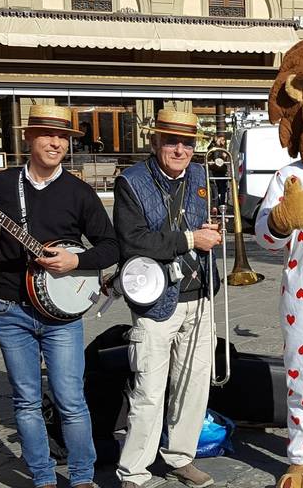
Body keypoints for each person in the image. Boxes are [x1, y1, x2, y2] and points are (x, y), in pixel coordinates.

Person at [0, 105, 119, 488]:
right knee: (26, 402)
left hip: (62, 315)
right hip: (11, 306)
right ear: (28, 137)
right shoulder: (3, 183)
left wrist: (75, 259)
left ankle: (82, 477)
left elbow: (111, 247)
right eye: (47, 134)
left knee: (70, 400)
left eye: (63, 137)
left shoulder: (79, 192)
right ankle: (43, 477)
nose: (56, 143)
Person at [113, 108, 221, 488]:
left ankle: (180, 457)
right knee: (148, 391)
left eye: (188, 143)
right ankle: (134, 472)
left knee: (193, 387)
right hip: (156, 301)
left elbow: (209, 222)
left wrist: (215, 230)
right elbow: (133, 241)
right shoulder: (131, 181)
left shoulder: (201, 176)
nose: (180, 149)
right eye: (172, 141)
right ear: (155, 142)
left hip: (200, 295)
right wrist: (192, 239)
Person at [207, 132, 229, 209]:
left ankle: (221, 206)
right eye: (222, 139)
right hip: (215, 172)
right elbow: (214, 158)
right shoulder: (213, 148)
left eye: (224, 140)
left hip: (221, 171)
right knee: (215, 190)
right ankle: (217, 207)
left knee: (222, 190)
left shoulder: (222, 148)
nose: (224, 141)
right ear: (218, 138)